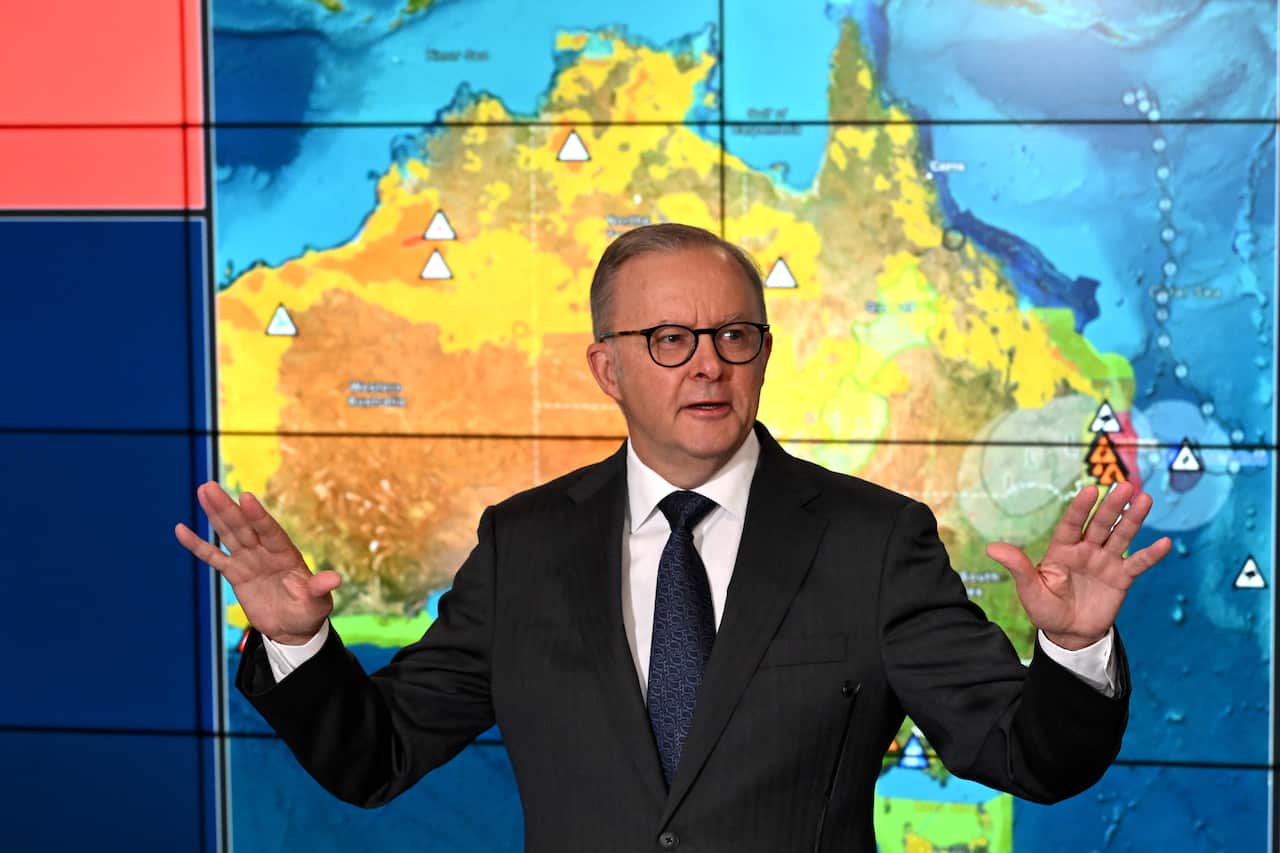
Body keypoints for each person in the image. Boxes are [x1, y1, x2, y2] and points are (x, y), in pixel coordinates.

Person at [175, 223, 1171, 852]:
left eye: (734, 336)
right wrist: (296, 643)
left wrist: (1072, 650)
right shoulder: (524, 545)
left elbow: (1028, 758)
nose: (707, 366)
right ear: (606, 367)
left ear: (761, 355)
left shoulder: (872, 541)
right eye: (669, 340)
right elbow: (376, 758)